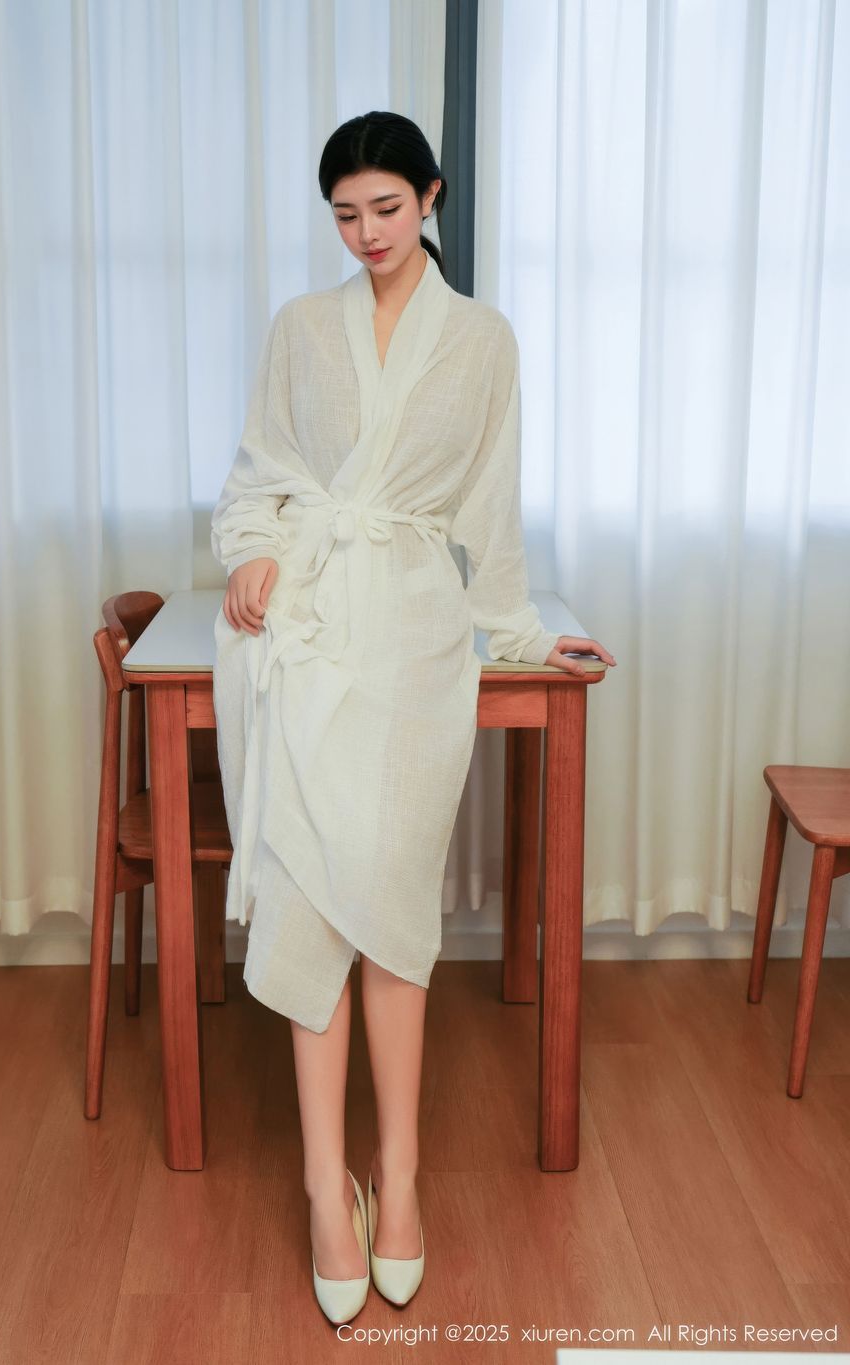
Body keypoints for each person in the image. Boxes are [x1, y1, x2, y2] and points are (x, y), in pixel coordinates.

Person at [210, 111, 615, 1325]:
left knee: (389, 914)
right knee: (309, 902)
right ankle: (323, 1188)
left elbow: (488, 510)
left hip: (415, 648)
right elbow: (257, 478)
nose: (365, 233)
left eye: (385, 207)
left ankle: (402, 1173)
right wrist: (251, 554)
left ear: (430, 197)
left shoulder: (482, 340)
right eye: (344, 214)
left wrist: (525, 634)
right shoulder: (300, 329)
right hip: (306, 631)